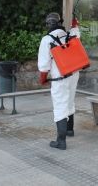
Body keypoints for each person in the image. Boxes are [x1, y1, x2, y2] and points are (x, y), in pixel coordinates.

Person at [38, 12, 80, 150]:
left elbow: (44, 66)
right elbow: (75, 29)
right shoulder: (71, 34)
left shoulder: (46, 40)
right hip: (74, 74)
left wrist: (43, 80)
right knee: (69, 101)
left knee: (60, 105)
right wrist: (74, 23)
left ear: (47, 25)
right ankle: (69, 130)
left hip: (59, 78)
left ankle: (61, 141)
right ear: (61, 23)